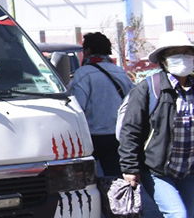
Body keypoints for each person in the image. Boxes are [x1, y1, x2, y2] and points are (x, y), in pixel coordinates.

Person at [119, 31, 194, 218]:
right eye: (176, 53)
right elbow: (131, 129)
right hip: (157, 171)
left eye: (187, 52)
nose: (183, 57)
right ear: (163, 58)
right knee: (178, 215)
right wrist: (129, 167)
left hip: (189, 171)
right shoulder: (148, 88)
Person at [70, 32, 132, 177]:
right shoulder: (121, 72)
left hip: (93, 137)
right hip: (119, 135)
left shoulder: (83, 73)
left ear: (88, 50)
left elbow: (78, 107)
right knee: (115, 179)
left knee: (87, 181)